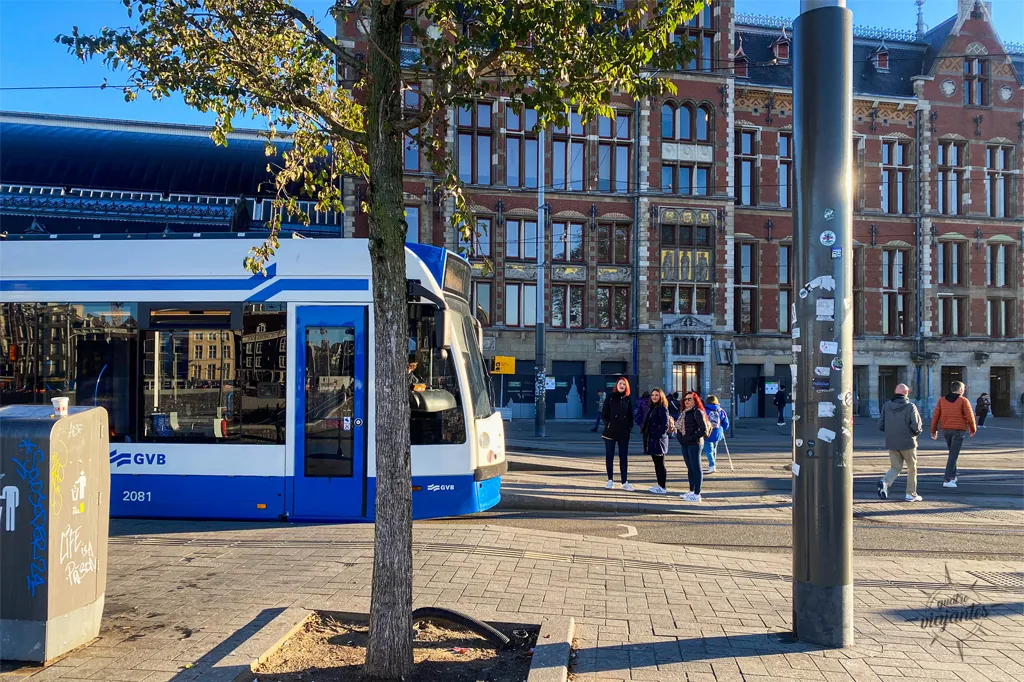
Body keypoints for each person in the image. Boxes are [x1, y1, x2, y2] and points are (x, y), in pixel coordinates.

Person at [877, 383, 924, 502]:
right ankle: (910, 493)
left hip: (892, 441)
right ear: (906, 393)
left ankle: (885, 482)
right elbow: (916, 425)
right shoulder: (910, 406)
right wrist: (916, 433)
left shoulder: (887, 405)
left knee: (895, 467)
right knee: (912, 468)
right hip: (907, 442)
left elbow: (881, 424)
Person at [930, 381, 977, 488]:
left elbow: (936, 416)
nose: (964, 390)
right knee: (953, 455)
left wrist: (933, 430)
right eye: (963, 388)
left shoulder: (942, 400)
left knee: (952, 453)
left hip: (946, 429)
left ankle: (952, 476)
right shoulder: (963, 400)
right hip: (959, 430)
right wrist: (972, 429)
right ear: (960, 389)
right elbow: (970, 416)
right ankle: (947, 479)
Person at [676, 391, 711, 501]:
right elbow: (680, 428)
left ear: (695, 400)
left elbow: (703, 430)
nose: (687, 401)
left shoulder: (697, 412)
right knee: (690, 468)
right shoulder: (685, 412)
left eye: (689, 399)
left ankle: (697, 494)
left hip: (695, 444)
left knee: (696, 468)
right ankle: (691, 490)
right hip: (685, 443)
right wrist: (681, 438)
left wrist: (690, 437)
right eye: (685, 399)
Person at [601, 379, 634, 491]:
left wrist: (629, 428)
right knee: (609, 456)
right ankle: (610, 480)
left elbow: (630, 416)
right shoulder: (610, 397)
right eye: (620, 383)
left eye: (624, 384)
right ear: (617, 385)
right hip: (610, 432)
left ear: (626, 387)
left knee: (623, 457)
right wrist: (608, 424)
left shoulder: (628, 399)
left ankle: (624, 481)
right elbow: (604, 414)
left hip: (623, 432)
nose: (622, 385)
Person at [642, 388, 672, 495]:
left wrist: (657, 436)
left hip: (659, 440)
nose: (654, 397)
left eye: (657, 395)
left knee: (660, 464)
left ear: (661, 397)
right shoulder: (653, 407)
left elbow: (665, 425)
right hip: (653, 439)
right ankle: (660, 485)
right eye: (653, 395)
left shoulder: (662, 408)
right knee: (656, 463)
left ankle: (662, 486)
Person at [702, 395, 729, 474]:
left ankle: (712, 465)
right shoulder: (721, 410)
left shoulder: (704, 410)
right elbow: (726, 423)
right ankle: (713, 465)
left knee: (708, 450)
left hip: (708, 432)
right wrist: (722, 429)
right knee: (714, 449)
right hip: (718, 432)